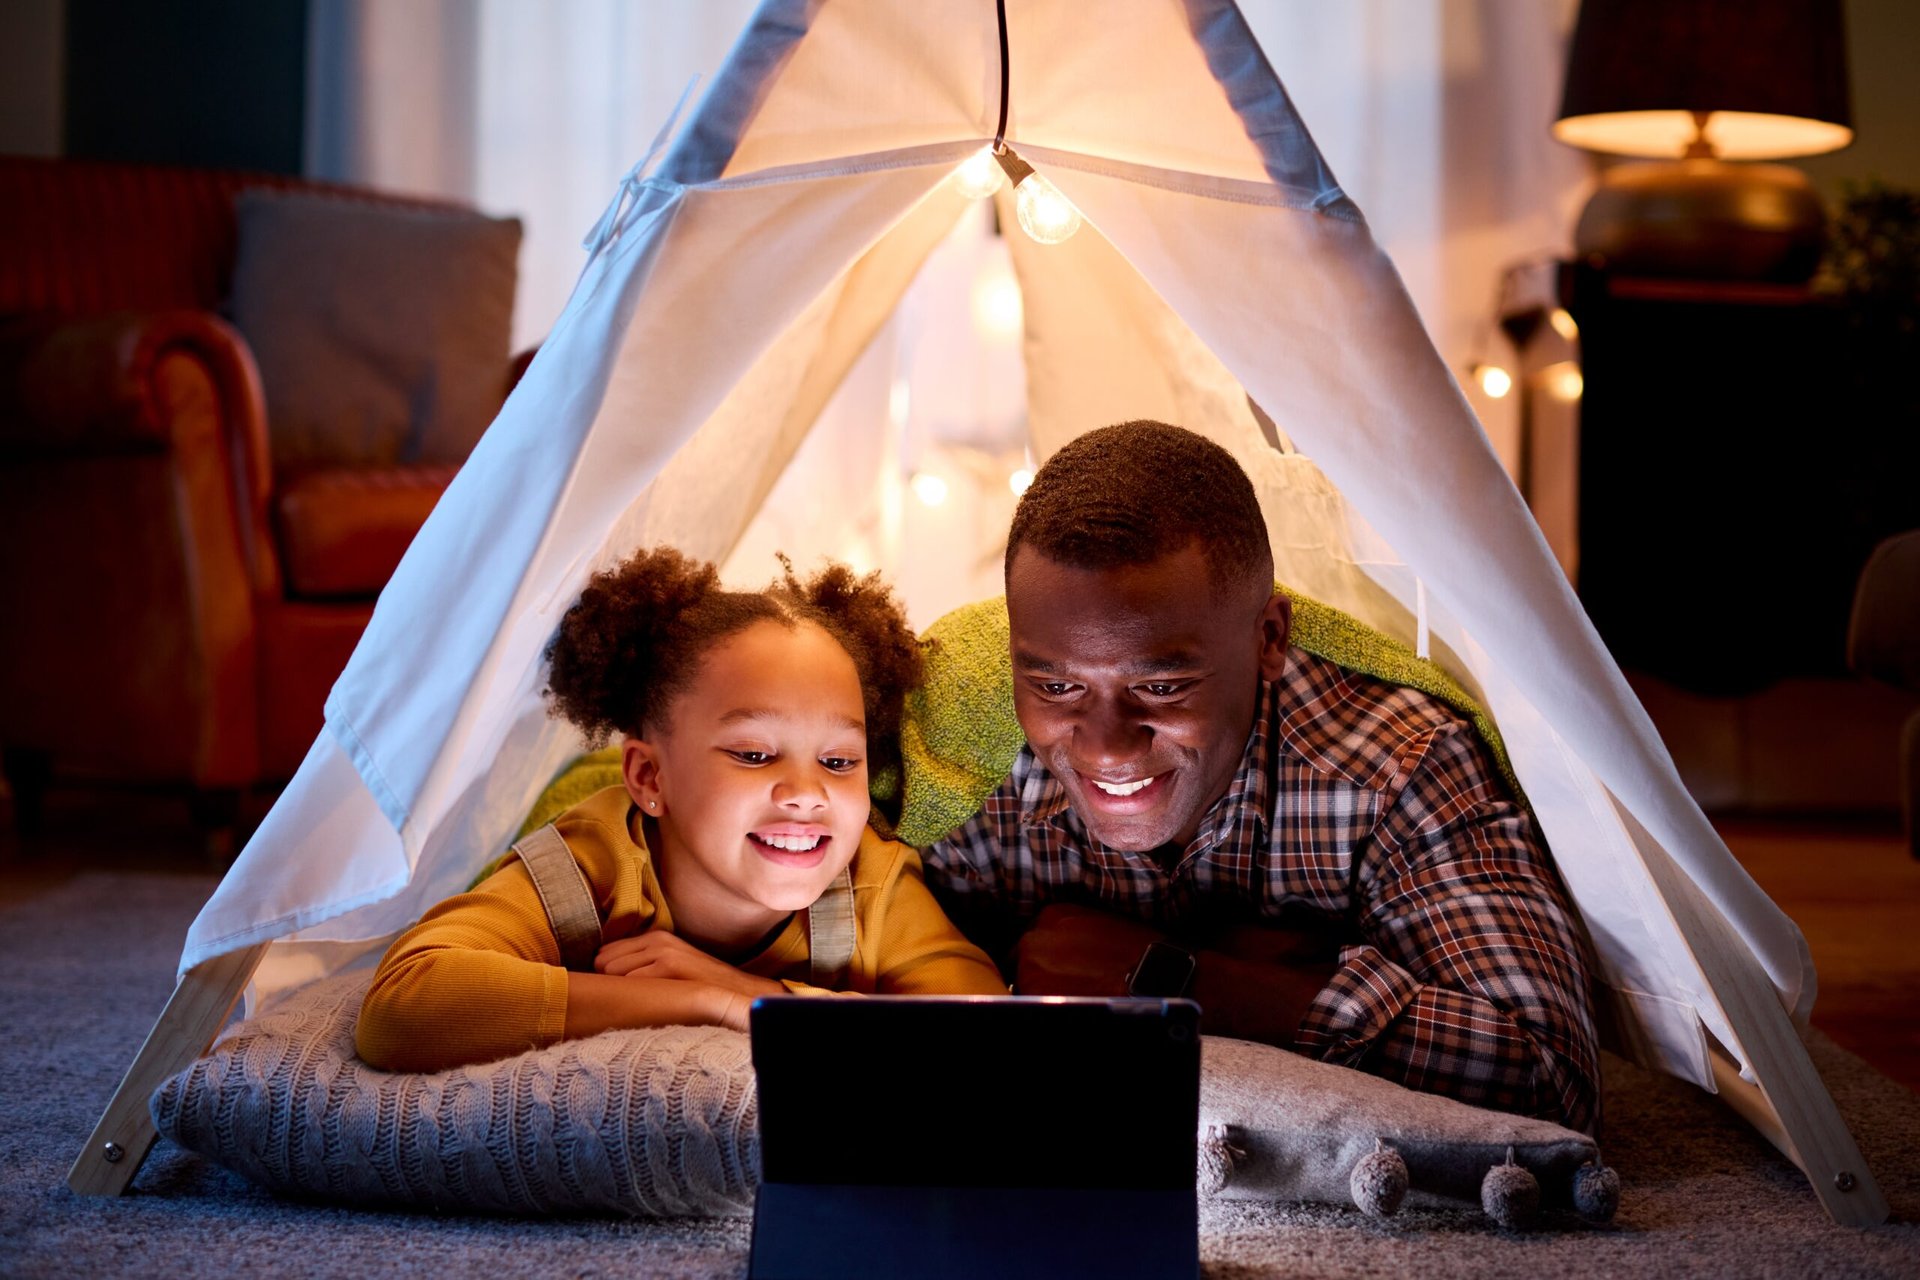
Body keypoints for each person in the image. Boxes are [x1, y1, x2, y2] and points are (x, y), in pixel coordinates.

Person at [922, 421, 1601, 1132]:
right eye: (1058, 689)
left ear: (1269, 641)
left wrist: (1185, 977)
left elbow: (1550, 1076)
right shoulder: (967, 770)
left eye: (1161, 686)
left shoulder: (1394, 764)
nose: (1108, 748)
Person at [358, 547, 1007, 1073]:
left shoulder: (871, 881)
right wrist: (684, 1001)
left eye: (839, 762)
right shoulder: (582, 870)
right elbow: (402, 1007)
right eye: (754, 754)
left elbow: (985, 1033)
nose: (807, 792)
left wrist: (739, 997)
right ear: (649, 775)